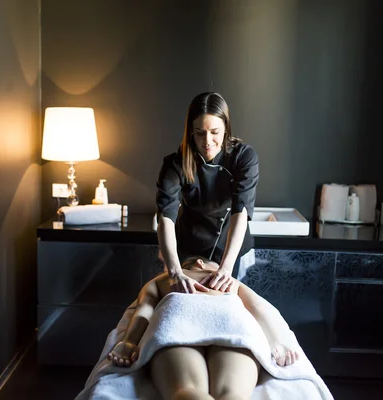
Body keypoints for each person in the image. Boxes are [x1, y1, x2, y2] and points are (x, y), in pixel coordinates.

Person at [107, 256, 300, 400]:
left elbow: (144, 310)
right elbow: (259, 308)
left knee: (187, 390)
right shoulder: (229, 282)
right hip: (230, 321)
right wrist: (277, 340)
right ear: (201, 263)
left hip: (180, 320)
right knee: (232, 393)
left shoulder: (161, 280)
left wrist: (129, 342)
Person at [156, 92, 259, 294]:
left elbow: (241, 211)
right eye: (200, 132)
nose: (207, 141)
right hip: (188, 242)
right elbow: (165, 218)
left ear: (226, 129)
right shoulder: (175, 164)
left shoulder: (243, 157)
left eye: (215, 132)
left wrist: (226, 267)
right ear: (190, 132)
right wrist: (175, 271)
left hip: (229, 243)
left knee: (226, 300)